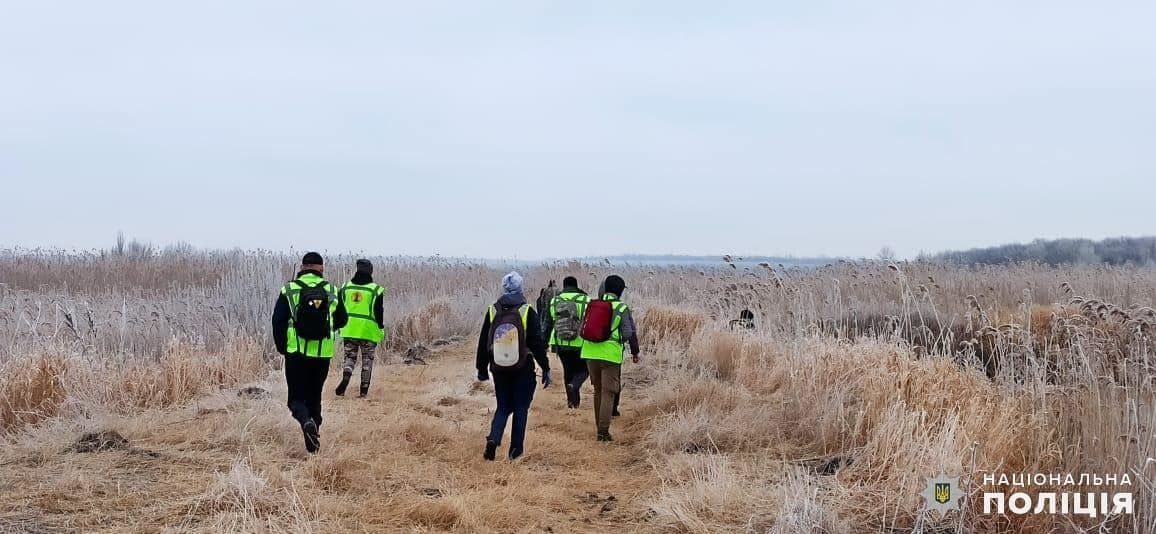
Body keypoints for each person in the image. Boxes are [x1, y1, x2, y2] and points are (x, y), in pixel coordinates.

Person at [272, 252, 348, 454]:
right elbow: (342, 320)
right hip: (322, 354)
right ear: (321, 268)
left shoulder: (289, 289)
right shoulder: (332, 290)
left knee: (296, 399)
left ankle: (305, 421)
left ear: (303, 267)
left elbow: (278, 321)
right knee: (315, 396)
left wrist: (282, 347)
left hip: (296, 353)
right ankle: (313, 444)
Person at [475, 271, 551, 461]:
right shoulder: (526, 311)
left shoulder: (493, 310)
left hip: (498, 367)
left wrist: (482, 369)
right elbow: (536, 343)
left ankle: (493, 438)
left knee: (502, 406)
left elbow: (484, 340)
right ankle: (515, 452)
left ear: (504, 288)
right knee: (520, 408)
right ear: (521, 288)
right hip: (522, 368)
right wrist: (546, 367)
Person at [580, 275, 640, 442]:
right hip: (610, 355)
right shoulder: (621, 308)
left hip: (590, 352)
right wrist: (634, 351)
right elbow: (629, 333)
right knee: (608, 392)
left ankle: (599, 426)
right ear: (620, 291)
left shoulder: (592, 305)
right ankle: (603, 432)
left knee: (598, 390)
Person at [335, 259, 386, 398]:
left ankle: (346, 376)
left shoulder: (345, 287)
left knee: (350, 358)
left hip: (349, 329)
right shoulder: (375, 289)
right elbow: (379, 312)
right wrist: (381, 327)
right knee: (367, 361)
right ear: (371, 271)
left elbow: (339, 309)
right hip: (368, 331)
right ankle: (363, 392)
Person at [541, 276, 590, 408]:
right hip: (581, 343)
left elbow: (548, 323)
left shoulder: (555, 301)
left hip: (560, 342)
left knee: (568, 371)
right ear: (576, 285)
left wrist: (543, 344)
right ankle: (575, 386)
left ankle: (571, 404)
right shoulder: (586, 300)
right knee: (584, 370)